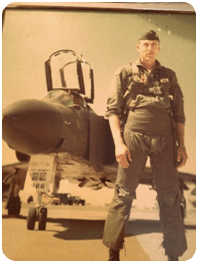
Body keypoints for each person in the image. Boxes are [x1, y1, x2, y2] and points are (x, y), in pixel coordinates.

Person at [103, 30, 188, 261]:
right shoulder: (124, 72)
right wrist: (119, 144)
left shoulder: (169, 76)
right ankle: (113, 250)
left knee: (170, 196)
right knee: (123, 193)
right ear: (138, 47)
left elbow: (179, 114)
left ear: (159, 48)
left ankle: (174, 254)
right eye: (145, 44)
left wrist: (182, 146)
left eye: (154, 44)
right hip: (133, 138)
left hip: (165, 140)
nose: (150, 48)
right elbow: (112, 111)